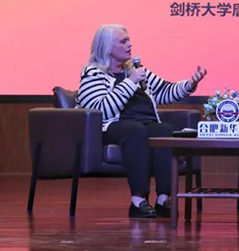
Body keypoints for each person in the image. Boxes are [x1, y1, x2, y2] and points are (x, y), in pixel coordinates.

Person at [76, 24, 207, 219]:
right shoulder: (93, 73)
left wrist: (190, 84)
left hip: (143, 125)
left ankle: (163, 198)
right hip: (111, 127)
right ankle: (138, 200)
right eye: (123, 41)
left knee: (163, 130)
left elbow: (165, 91)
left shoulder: (135, 70)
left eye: (129, 40)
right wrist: (131, 82)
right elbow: (100, 111)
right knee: (135, 130)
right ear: (108, 47)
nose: (130, 45)